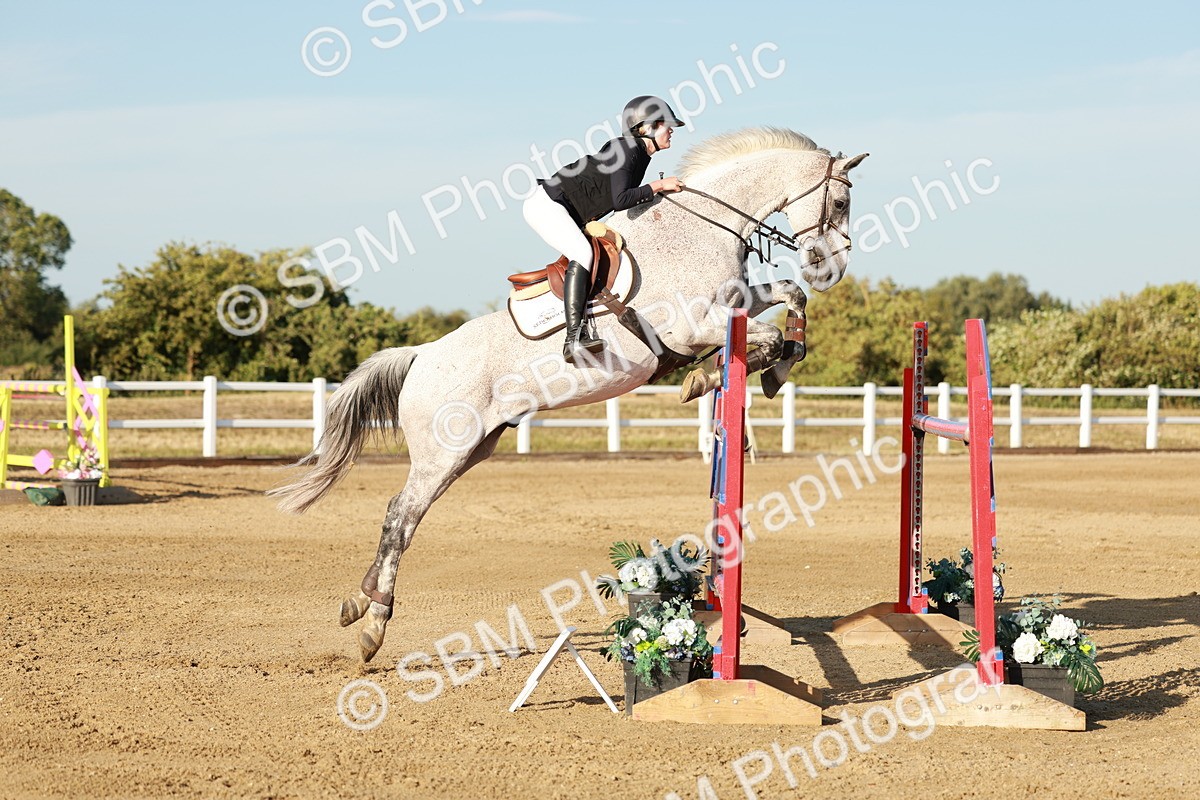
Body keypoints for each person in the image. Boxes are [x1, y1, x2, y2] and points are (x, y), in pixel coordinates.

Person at [523, 95, 686, 364]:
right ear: (647, 127)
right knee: (582, 253)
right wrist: (659, 186)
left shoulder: (638, 153)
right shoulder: (628, 149)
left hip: (564, 208)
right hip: (547, 204)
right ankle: (574, 338)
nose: (672, 130)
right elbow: (620, 200)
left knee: (588, 251)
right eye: (667, 124)